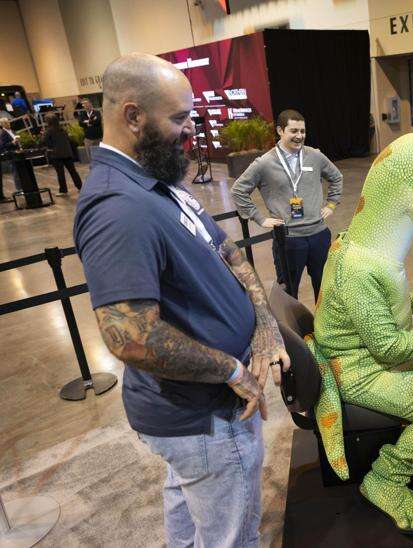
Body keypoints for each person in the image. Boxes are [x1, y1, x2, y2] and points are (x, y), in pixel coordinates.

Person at [74, 52, 290, 547]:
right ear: (133, 116)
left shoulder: (156, 181)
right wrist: (231, 370)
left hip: (201, 418)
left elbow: (226, 249)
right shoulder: (119, 208)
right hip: (202, 417)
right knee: (232, 537)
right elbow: (130, 338)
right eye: (178, 117)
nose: (190, 128)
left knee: (189, 509)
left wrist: (261, 319)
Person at [231, 109, 343, 300]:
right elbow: (238, 190)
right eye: (294, 131)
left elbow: (336, 177)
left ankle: (323, 321)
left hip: (319, 235)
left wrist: (331, 204)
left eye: (302, 131)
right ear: (280, 131)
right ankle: (294, 322)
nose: (299, 136)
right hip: (288, 240)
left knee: (325, 291)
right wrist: (260, 218)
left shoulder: (315, 156)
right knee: (288, 294)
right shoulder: (264, 163)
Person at [42, 113, 82, 194]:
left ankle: (63, 190)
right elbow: (69, 140)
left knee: (60, 173)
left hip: (56, 155)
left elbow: (43, 141)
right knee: (73, 171)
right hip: (67, 153)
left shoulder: (49, 131)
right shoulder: (63, 129)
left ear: (48, 121)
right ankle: (80, 187)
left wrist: (50, 145)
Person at [0, 118, 21, 201]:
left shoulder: (11, 131)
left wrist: (17, 142)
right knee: (15, 171)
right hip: (11, 154)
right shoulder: (3, 133)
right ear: (2, 124)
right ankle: (19, 189)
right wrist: (12, 142)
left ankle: (22, 186)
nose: (8, 124)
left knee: (19, 170)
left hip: (17, 152)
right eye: (6, 123)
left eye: (8, 122)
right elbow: (4, 145)